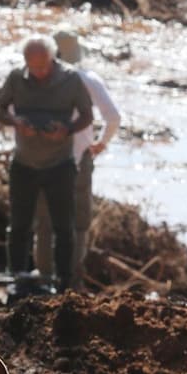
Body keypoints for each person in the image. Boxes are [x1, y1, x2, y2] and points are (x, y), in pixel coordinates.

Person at [0, 37, 93, 292]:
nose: (38, 72)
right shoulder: (17, 78)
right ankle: (17, 276)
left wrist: (67, 130)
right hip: (24, 163)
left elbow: (87, 116)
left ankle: (63, 281)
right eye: (32, 66)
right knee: (19, 224)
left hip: (60, 164)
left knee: (63, 226)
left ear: (52, 58)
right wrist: (17, 122)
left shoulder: (71, 79)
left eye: (43, 66)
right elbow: (0, 111)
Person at [33, 31, 121, 283]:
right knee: (77, 222)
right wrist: (101, 143)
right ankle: (69, 280)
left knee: (44, 221)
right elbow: (113, 118)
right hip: (77, 161)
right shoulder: (87, 79)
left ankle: (44, 278)